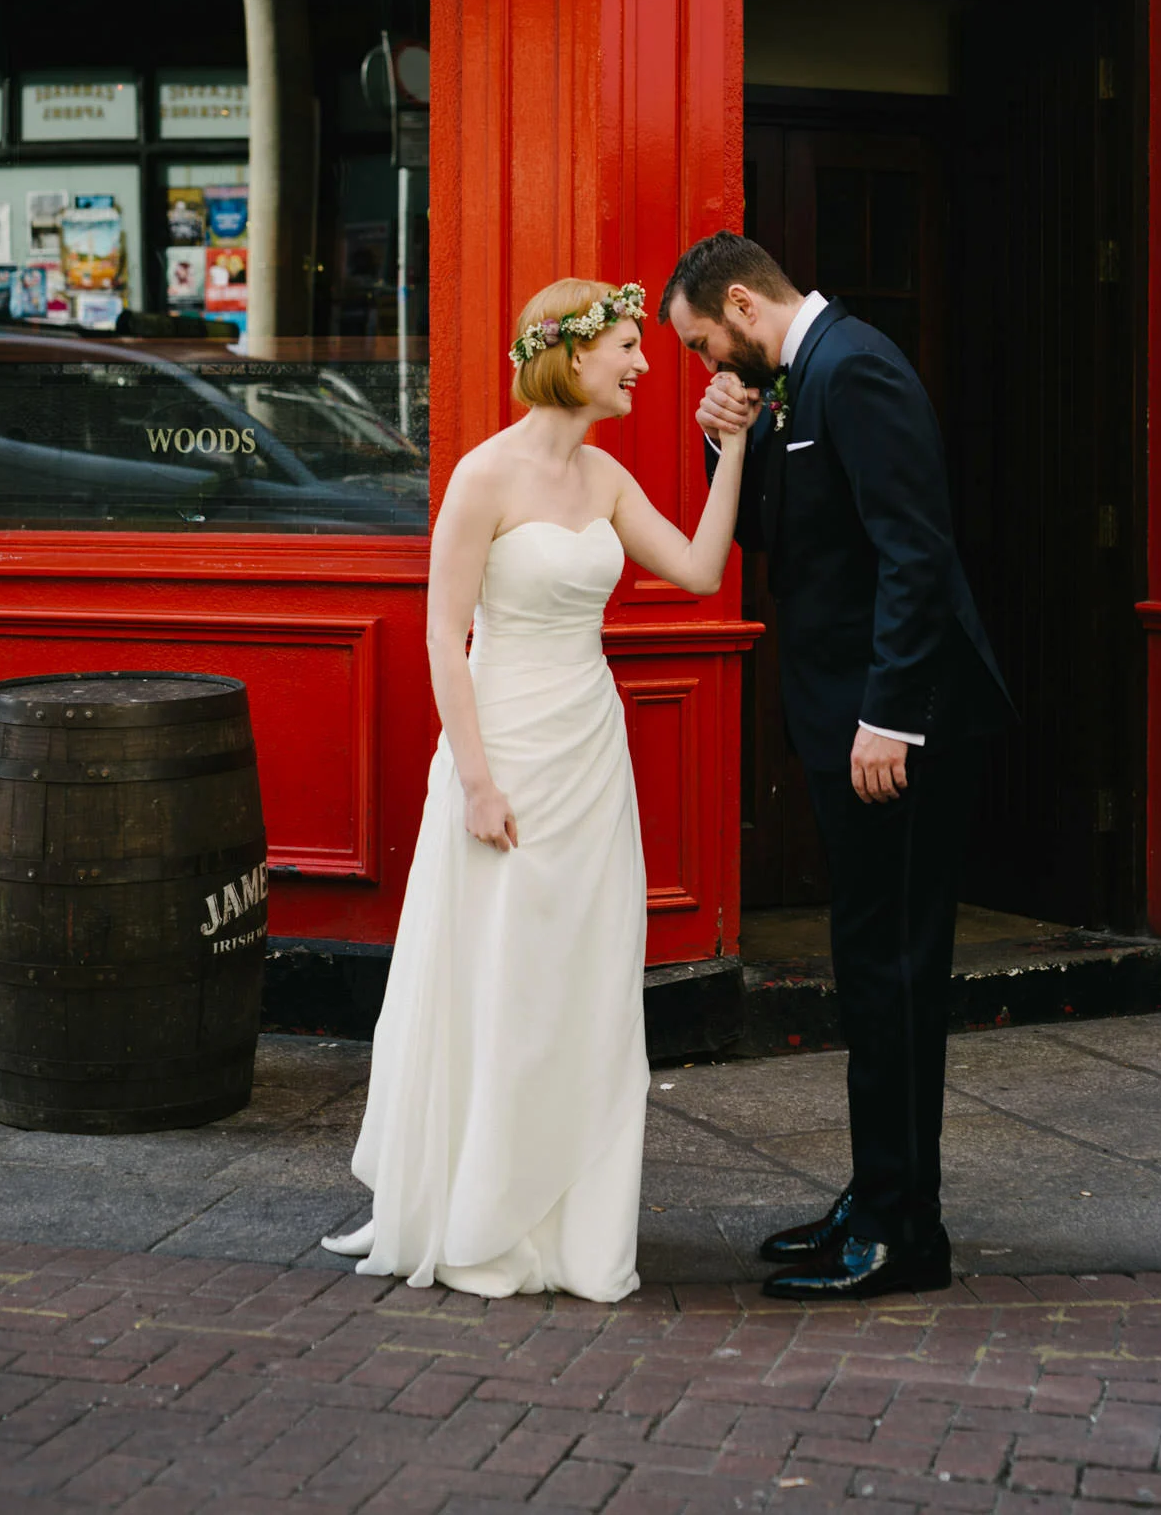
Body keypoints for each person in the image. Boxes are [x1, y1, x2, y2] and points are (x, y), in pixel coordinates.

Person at [320, 277, 748, 1301]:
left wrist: (730, 452)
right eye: (627, 348)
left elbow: (697, 569)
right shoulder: (483, 476)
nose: (644, 365)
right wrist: (474, 778)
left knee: (582, 982)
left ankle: (568, 1222)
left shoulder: (604, 480)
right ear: (571, 354)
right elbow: (443, 633)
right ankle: (476, 1211)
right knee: (501, 976)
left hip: (590, 754)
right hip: (503, 748)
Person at [661, 232, 1011, 1302]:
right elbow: (785, 532)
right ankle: (876, 1197)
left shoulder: (854, 367)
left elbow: (916, 548)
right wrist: (730, 444)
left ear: (738, 303)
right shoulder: (799, 378)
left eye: (701, 344)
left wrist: (891, 718)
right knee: (869, 972)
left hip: (894, 737)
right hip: (847, 726)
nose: (704, 364)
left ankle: (907, 1234)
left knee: (897, 977)